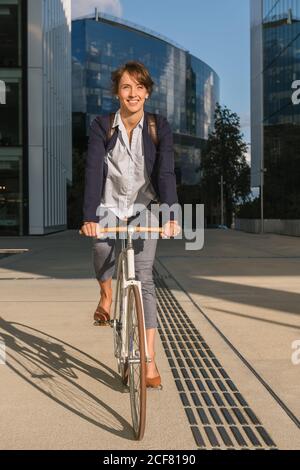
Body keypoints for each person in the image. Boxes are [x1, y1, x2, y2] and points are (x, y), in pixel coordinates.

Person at [81, 61, 180, 388]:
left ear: (147, 92)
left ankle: (149, 362)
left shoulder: (158, 127)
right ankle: (106, 295)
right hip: (109, 202)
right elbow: (94, 169)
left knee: (145, 278)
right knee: (100, 246)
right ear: (118, 93)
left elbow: (165, 173)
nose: (133, 93)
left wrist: (170, 217)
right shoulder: (102, 125)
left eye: (139, 87)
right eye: (126, 87)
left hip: (144, 206)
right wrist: (90, 217)